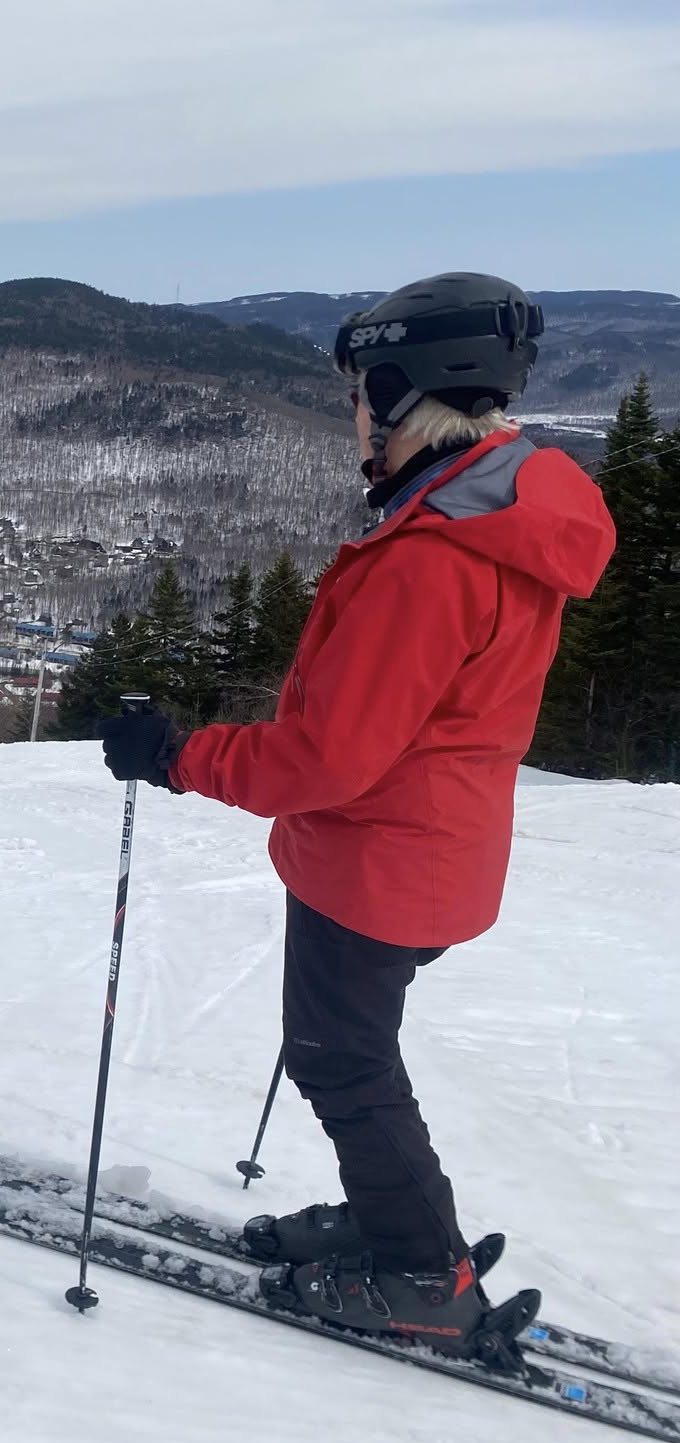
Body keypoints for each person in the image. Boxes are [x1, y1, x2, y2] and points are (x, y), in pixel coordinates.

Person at [99, 274, 615, 1352]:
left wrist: (177, 757)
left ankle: (420, 1265)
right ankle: (394, 1218)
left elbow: (323, 760)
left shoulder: (429, 562)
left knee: (341, 1060)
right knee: (349, 1051)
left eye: (357, 395)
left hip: (379, 865)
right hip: (432, 848)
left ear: (395, 395)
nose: (351, 417)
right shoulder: (497, 516)